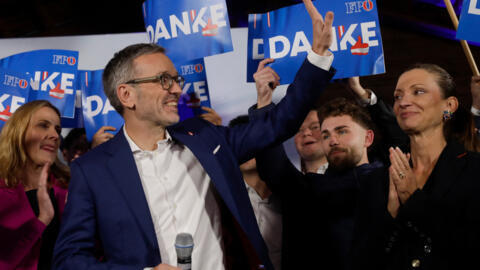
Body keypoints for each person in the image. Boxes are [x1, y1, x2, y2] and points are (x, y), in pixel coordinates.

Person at [53, 2, 336, 269]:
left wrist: (318, 57)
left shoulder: (206, 138)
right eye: (164, 80)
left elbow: (278, 123)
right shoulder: (92, 170)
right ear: (126, 95)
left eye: (176, 80)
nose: (176, 89)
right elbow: (69, 260)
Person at [385, 64, 480, 270]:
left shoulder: (475, 170)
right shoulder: (379, 176)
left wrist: (413, 201)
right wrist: (389, 219)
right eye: (397, 96)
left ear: (449, 106)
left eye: (418, 92)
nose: (404, 102)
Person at [0, 100, 69, 270]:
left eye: (57, 129)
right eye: (43, 126)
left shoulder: (70, 188)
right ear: (19, 132)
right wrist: (42, 220)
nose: (54, 135)